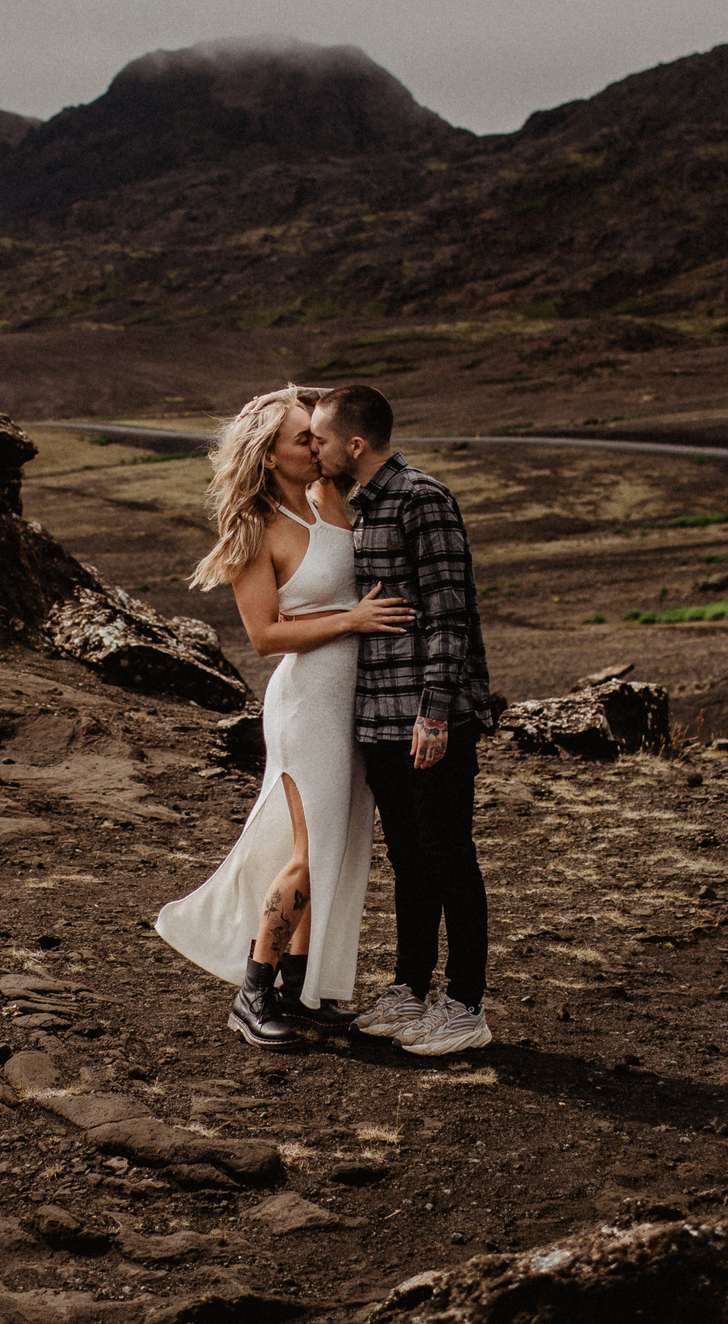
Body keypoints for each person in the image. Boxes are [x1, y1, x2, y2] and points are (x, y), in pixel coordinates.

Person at [156, 386, 412, 1048]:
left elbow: (337, 412)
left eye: (315, 434)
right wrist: (352, 619)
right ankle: (253, 993)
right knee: (307, 852)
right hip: (306, 707)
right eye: (302, 437)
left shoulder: (329, 498)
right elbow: (266, 635)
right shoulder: (255, 530)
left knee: (334, 847)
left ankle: (300, 988)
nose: (316, 443)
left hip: (347, 700)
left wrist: (290, 396)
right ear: (270, 456)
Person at [308, 385, 498, 1056]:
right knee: (410, 861)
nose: (314, 447)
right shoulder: (362, 506)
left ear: (355, 445)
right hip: (380, 719)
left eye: (322, 438)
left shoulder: (422, 498)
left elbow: (450, 612)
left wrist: (436, 713)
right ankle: (409, 988)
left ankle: (466, 1004)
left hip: (427, 718)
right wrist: (312, 397)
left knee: (449, 856)